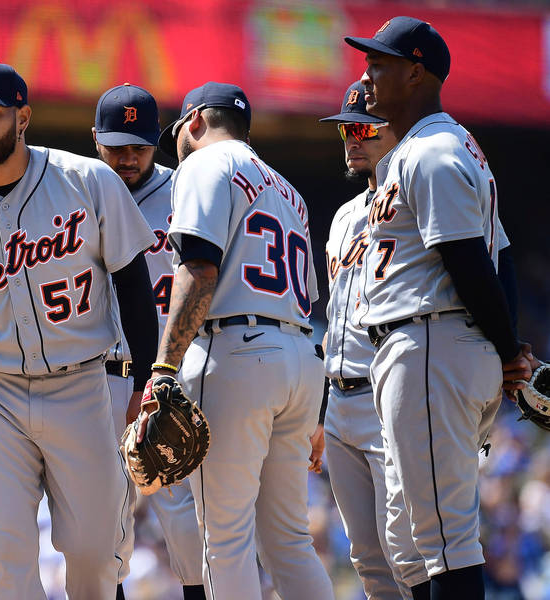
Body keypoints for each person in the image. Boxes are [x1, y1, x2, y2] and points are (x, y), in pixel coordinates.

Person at [0, 62, 158, 599]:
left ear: (23, 117)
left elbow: (134, 286)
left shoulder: (87, 181)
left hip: (81, 384)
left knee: (96, 552)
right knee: (2, 554)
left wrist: (147, 379)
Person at [344, 17, 534, 599]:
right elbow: (499, 258)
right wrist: (509, 346)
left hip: (431, 343)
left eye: (379, 65)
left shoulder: (434, 149)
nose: (368, 77)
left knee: (446, 542)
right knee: (412, 543)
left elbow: (470, 261)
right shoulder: (437, 148)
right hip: (425, 347)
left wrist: (509, 353)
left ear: (416, 71)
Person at [144, 81, 333, 599]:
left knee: (224, 539)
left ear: (197, 121)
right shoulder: (288, 189)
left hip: (236, 351)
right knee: (289, 540)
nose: (177, 145)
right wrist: (314, 410)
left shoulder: (205, 165)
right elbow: (307, 301)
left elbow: (199, 269)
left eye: (178, 131)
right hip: (297, 355)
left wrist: (163, 369)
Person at [92, 83, 205, 600]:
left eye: (138, 145)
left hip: (169, 373)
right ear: (96, 140)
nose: (128, 157)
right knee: (102, 520)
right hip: (100, 374)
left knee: (185, 513)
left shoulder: (187, 191)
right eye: (117, 146)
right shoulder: (79, 193)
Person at [319, 81, 429, 599]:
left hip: (388, 395)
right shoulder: (342, 217)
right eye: (346, 129)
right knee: (366, 556)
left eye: (363, 128)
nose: (352, 139)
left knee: (408, 551)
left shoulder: (412, 197)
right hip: (338, 401)